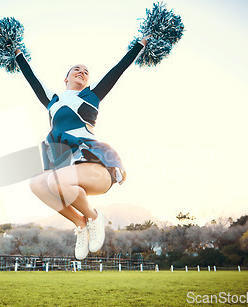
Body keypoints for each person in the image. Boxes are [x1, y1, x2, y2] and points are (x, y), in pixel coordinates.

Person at [14, 36, 149, 260]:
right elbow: (32, 78)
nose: (82, 71)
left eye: (86, 71)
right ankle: (80, 223)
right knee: (37, 184)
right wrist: (17, 53)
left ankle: (94, 217)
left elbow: (119, 68)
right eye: (76, 69)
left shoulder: (92, 96)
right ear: (65, 78)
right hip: (67, 171)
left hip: (97, 168)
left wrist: (140, 45)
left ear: (88, 81)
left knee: (53, 180)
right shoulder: (53, 101)